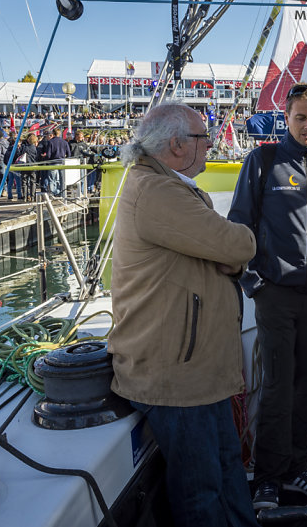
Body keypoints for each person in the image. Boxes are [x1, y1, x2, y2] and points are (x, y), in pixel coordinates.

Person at [108, 103, 257, 527]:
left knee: (225, 473)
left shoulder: (163, 185)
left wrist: (229, 254)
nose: (211, 142)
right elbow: (237, 245)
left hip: (194, 373)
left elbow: (221, 249)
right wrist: (238, 250)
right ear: (176, 145)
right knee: (201, 493)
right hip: (177, 376)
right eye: (202, 136)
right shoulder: (158, 192)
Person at [228, 82, 307, 511]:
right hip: (275, 296)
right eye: (301, 117)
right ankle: (267, 478)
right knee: (278, 388)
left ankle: (298, 469)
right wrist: (254, 284)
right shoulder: (262, 161)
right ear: (287, 117)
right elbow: (239, 227)